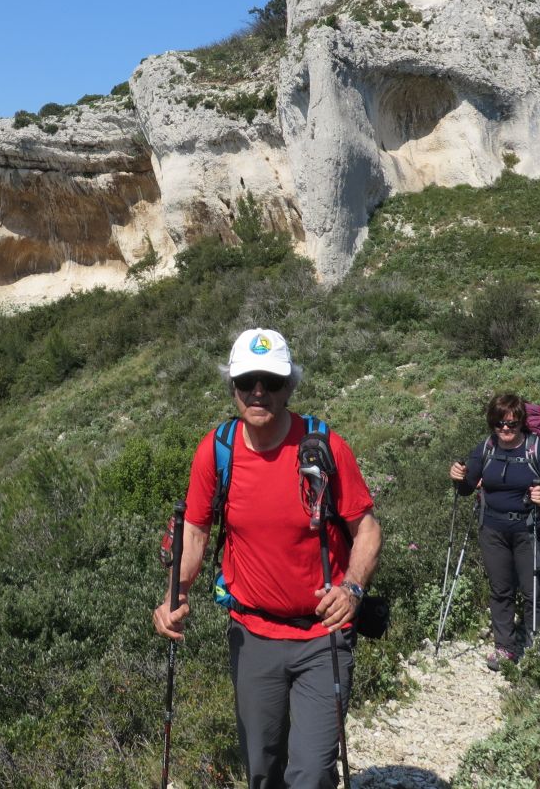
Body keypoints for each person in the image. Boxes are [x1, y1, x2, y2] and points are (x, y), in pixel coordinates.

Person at [154, 328, 382, 789]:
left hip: (324, 635)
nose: (259, 392)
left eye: (272, 382)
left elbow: (367, 529)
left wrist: (353, 589)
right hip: (252, 635)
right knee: (262, 769)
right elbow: (195, 532)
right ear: (233, 387)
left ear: (289, 386)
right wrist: (173, 597)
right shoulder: (217, 452)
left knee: (314, 772)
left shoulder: (324, 446)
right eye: (247, 381)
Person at [449, 394, 540, 670]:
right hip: (493, 529)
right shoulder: (486, 448)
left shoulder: (536, 449)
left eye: (512, 424)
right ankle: (505, 647)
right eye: (500, 424)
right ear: (492, 423)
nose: (505, 429)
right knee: (500, 589)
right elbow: (467, 488)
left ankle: (538, 646)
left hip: (529, 529)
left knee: (533, 590)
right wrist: (458, 478)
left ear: (521, 423)